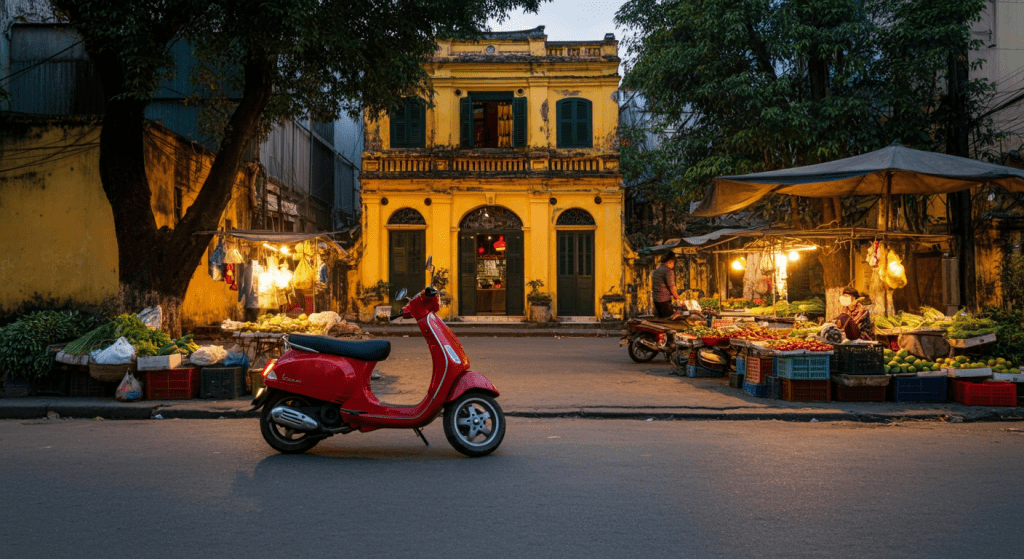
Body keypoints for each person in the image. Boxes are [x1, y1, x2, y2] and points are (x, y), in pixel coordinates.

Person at [651, 252, 681, 318]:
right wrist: (677, 298)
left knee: (661, 319)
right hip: (664, 300)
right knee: (669, 319)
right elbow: (671, 286)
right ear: (671, 261)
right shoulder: (668, 271)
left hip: (656, 299)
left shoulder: (657, 269)